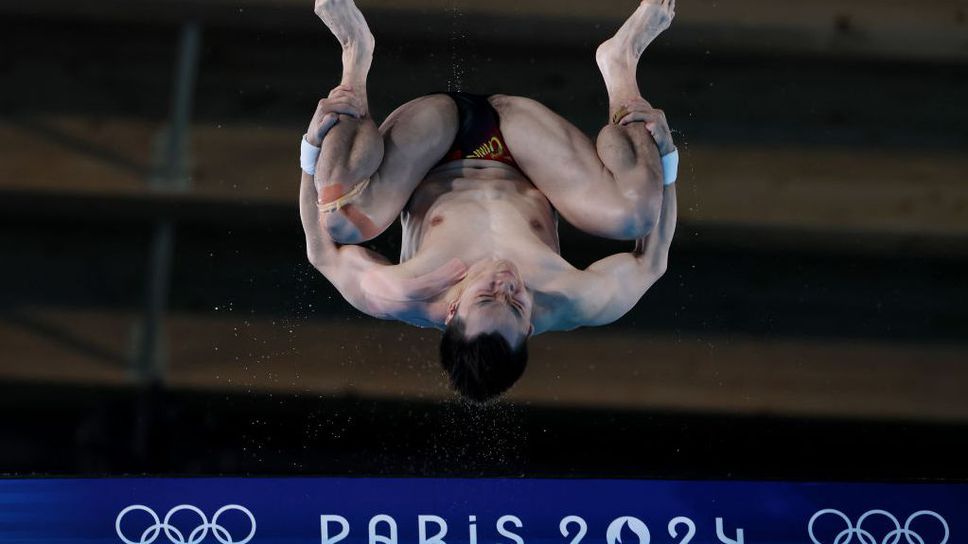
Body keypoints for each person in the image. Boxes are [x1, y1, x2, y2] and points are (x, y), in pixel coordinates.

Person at [299, 0, 679, 402]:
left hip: (432, 142)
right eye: (517, 304)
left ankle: (355, 57)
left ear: (451, 313)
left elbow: (323, 255)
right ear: (530, 326)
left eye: (485, 296)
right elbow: (651, 263)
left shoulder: (397, 293)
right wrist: (666, 159)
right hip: (524, 146)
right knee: (636, 215)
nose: (505, 282)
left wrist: (310, 150)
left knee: (340, 221)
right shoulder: (572, 299)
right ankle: (621, 63)